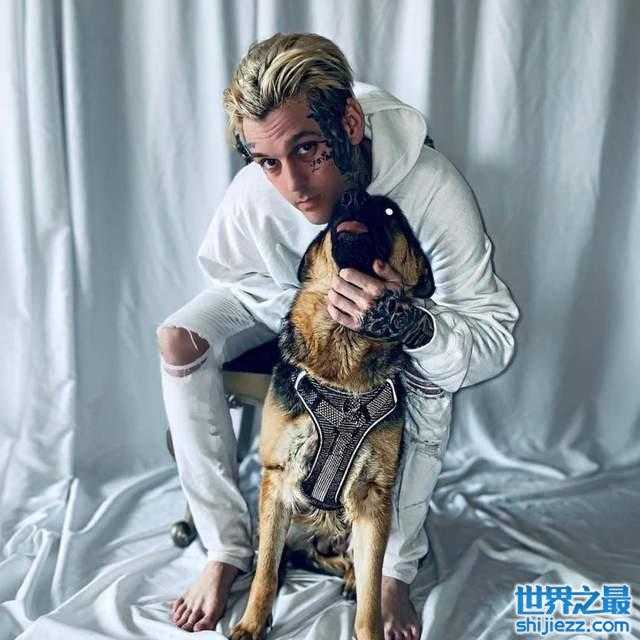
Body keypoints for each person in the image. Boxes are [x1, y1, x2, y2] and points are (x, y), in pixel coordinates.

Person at [157, 32, 518, 639]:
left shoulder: (432, 186)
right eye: (268, 161)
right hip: (294, 319)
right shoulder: (258, 188)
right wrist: (309, 307)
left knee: (427, 375)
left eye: (308, 149)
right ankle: (225, 548)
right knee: (178, 338)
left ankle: (394, 570)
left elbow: (494, 335)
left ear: (349, 123)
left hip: (389, 347)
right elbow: (231, 277)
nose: (294, 184)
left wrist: (410, 323)